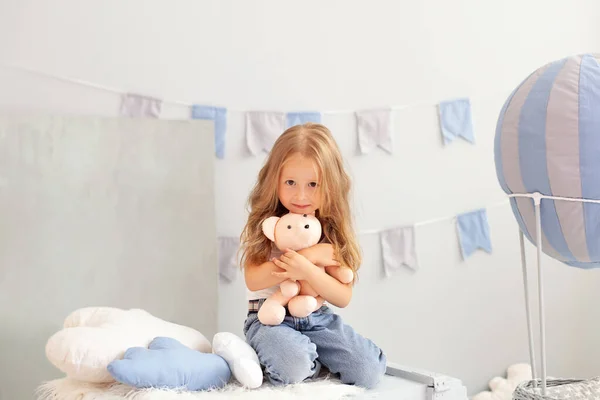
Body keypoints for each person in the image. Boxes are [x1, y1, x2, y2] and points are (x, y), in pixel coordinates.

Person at [239, 122, 387, 389]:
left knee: (368, 370)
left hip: (317, 317)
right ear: (275, 179)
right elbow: (253, 279)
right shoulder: (268, 224)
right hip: (269, 319)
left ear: (330, 185)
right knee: (293, 364)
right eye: (291, 182)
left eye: (313, 184)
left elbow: (343, 297)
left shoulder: (328, 230)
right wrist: (306, 258)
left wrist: (307, 271)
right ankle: (305, 359)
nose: (300, 195)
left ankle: (313, 355)